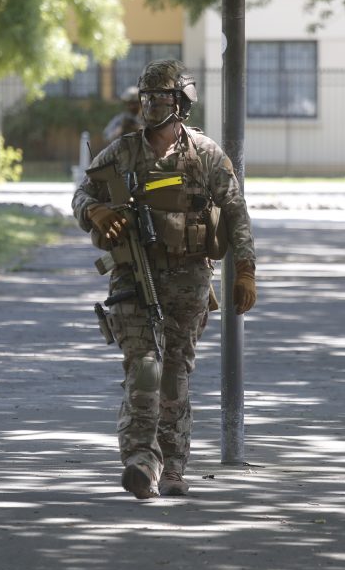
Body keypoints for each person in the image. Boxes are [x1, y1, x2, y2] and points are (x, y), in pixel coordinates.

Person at [72, 59, 257, 499]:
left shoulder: (205, 154)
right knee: (145, 369)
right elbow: (83, 193)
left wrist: (245, 269)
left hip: (189, 279)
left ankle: (172, 466)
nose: (153, 105)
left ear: (182, 102)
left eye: (163, 97)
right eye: (148, 97)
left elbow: (235, 211)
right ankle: (141, 459)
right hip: (133, 277)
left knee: (175, 374)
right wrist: (93, 210)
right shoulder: (121, 151)